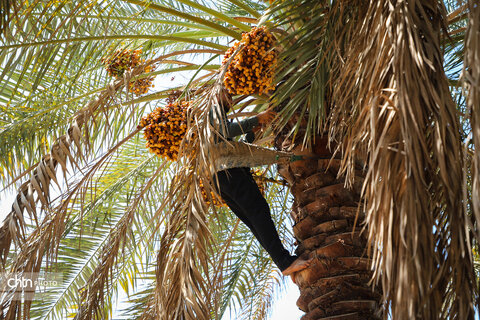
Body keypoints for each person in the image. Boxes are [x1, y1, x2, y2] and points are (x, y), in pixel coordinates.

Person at [211, 93, 311, 280]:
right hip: (229, 172)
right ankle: (284, 262)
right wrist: (258, 118)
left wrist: (253, 131)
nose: (231, 100)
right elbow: (224, 131)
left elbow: (234, 149)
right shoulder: (213, 108)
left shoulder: (210, 121)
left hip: (219, 178)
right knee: (258, 213)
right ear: (217, 93)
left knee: (254, 219)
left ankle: (283, 262)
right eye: (228, 94)